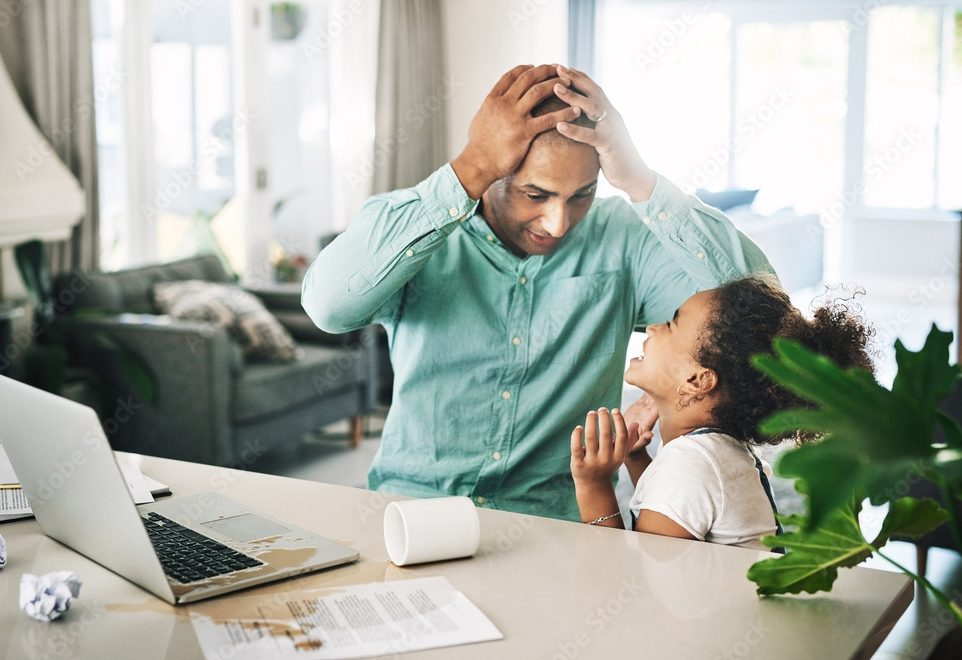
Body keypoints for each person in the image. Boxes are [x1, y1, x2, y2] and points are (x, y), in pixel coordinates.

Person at [302, 63, 772, 521]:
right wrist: (472, 165)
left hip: (559, 525)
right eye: (535, 195)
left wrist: (639, 180)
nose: (558, 223)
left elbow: (761, 309)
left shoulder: (624, 239)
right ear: (492, 174)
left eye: (581, 195)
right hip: (413, 514)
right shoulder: (417, 226)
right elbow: (328, 307)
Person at [570, 276, 873, 548]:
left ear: (697, 380)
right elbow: (674, 507)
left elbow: (636, 581)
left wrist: (593, 485)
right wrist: (636, 459)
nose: (652, 328)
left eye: (671, 325)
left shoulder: (691, 464)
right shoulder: (707, 452)